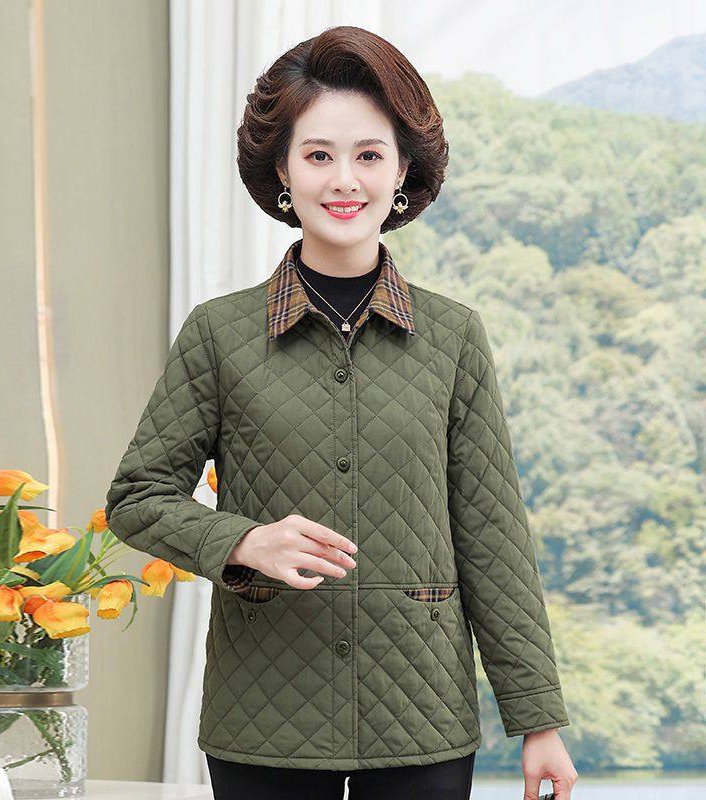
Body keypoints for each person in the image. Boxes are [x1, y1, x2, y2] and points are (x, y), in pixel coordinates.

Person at [104, 24, 578, 800]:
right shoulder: (219, 334)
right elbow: (136, 498)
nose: (344, 180)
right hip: (263, 714)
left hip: (421, 715)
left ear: (402, 171)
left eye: (369, 156)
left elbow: (492, 537)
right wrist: (245, 540)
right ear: (283, 170)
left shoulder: (454, 337)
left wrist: (539, 722)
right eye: (319, 155)